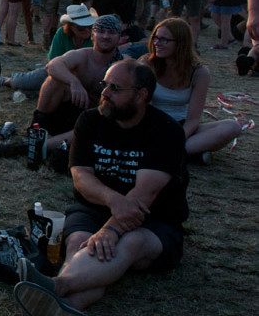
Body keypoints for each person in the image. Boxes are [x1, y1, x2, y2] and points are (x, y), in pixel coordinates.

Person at [15, 59, 188, 316]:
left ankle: (57, 286)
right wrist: (112, 200)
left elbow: (144, 195)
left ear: (141, 95)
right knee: (79, 243)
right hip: (94, 208)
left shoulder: (166, 131)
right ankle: (68, 308)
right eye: (104, 85)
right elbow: (81, 177)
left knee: (129, 243)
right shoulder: (90, 120)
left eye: (115, 88)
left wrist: (111, 230)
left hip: (154, 218)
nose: (104, 93)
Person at [140, 18, 241, 162]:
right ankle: (187, 153)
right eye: (155, 37)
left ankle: (169, 152)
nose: (157, 43)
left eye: (164, 39)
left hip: (181, 126)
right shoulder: (146, 64)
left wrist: (176, 137)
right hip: (151, 123)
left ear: (180, 43)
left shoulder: (199, 72)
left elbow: (193, 120)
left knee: (233, 127)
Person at [30, 14, 124, 153]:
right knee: (54, 80)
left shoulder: (122, 65)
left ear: (119, 38)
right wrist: (74, 82)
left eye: (111, 32)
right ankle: (38, 126)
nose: (105, 36)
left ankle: (43, 146)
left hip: (95, 121)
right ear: (92, 35)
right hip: (69, 113)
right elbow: (52, 65)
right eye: (101, 31)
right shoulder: (82, 55)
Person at [1, 4, 97, 92]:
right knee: (23, 82)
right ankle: (7, 80)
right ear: (71, 27)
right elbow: (53, 61)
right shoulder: (61, 34)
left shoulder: (95, 38)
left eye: (90, 26)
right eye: (81, 28)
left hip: (85, 76)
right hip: (61, 72)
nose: (87, 30)